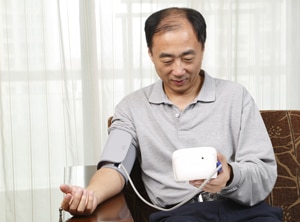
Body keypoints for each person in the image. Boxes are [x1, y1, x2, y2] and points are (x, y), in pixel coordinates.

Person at [60, 7, 282, 221]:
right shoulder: (131, 107)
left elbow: (262, 173)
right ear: (150, 54)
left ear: (203, 49)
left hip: (244, 211)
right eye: (166, 60)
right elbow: (114, 165)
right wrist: (90, 195)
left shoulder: (236, 97)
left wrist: (230, 175)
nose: (178, 70)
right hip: (179, 215)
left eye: (187, 58)